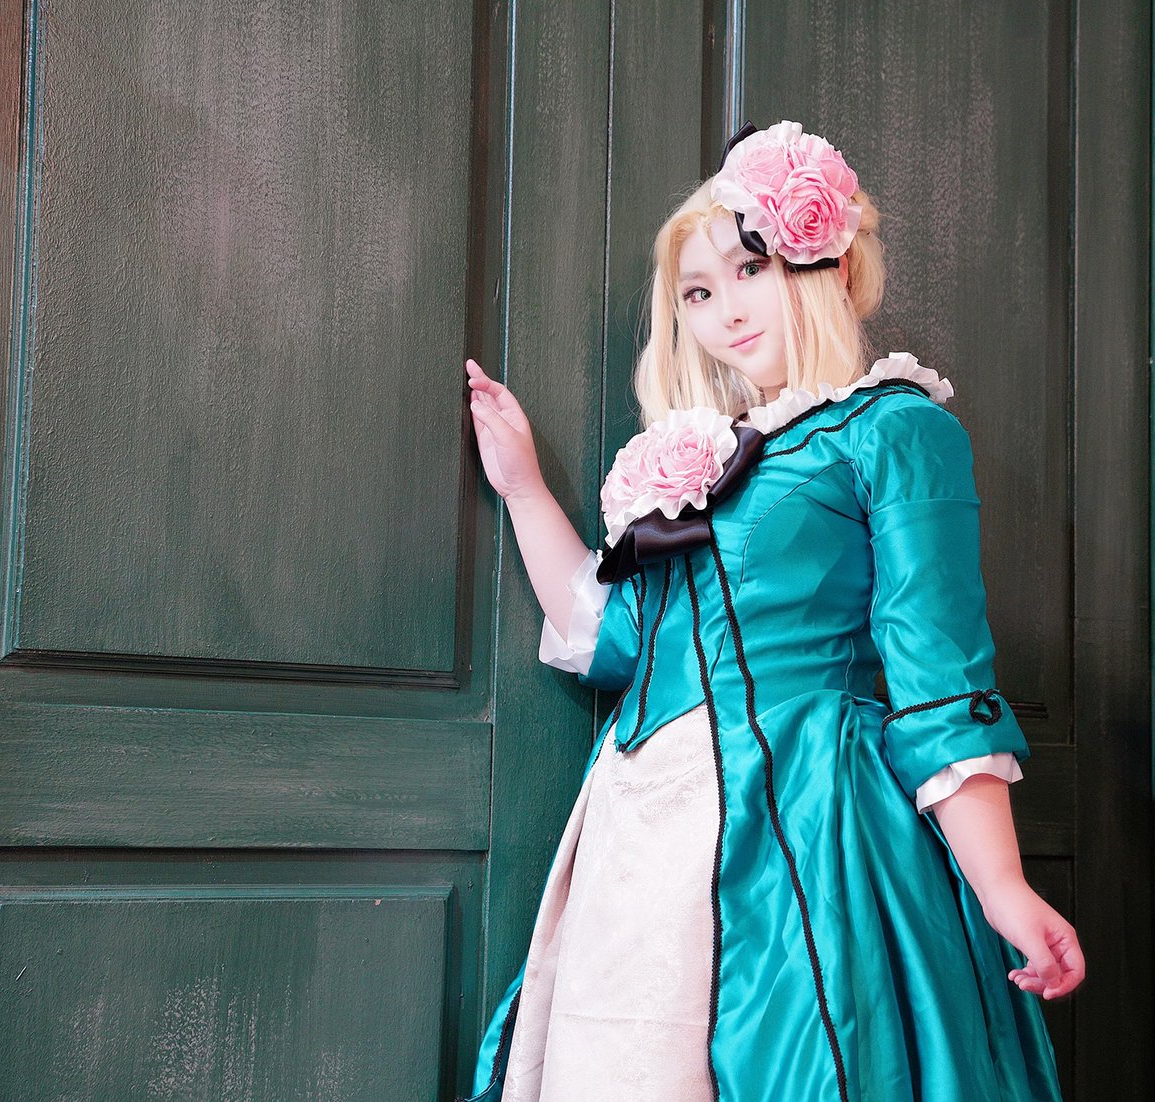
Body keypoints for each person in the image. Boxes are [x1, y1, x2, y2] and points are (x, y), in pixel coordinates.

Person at [457, 120, 1084, 1102]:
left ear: (831, 264)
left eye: (749, 269)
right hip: (639, 831)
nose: (725, 312)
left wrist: (1002, 887)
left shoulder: (893, 430)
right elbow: (615, 643)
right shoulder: (697, 464)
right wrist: (524, 487)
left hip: (802, 815)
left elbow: (938, 673)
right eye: (699, 293)